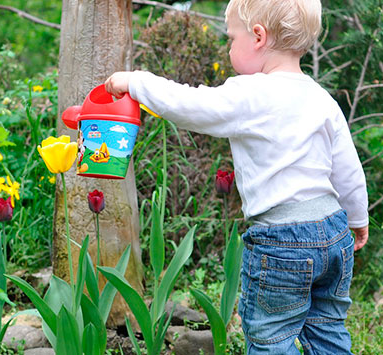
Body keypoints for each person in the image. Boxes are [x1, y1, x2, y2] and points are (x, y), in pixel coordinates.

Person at [104, 0, 369, 353]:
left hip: (282, 241)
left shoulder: (250, 93)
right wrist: (357, 217)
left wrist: (134, 81)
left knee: (271, 338)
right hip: (333, 232)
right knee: (328, 329)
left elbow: (189, 105)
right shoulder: (321, 99)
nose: (229, 47)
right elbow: (347, 166)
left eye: (231, 38)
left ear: (258, 36)